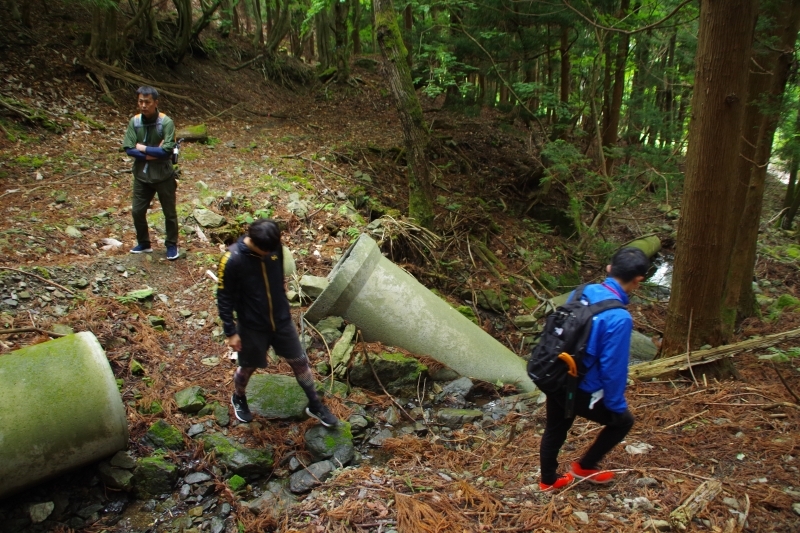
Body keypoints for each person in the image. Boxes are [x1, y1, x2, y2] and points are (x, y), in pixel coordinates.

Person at [538, 247, 649, 491]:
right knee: (622, 422)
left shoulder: (582, 291)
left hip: (556, 372)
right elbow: (613, 368)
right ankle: (585, 467)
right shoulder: (619, 317)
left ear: (610, 269)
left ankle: (548, 480)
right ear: (637, 280)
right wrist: (615, 404)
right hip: (580, 385)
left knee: (555, 427)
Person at [215, 219, 339, 427]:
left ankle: (315, 404)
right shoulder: (232, 259)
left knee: (300, 361)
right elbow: (223, 297)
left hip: (281, 321)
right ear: (256, 242)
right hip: (252, 325)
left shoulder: (275, 249)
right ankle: (239, 397)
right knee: (248, 366)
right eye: (268, 251)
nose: (272, 253)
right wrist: (230, 331)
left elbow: (278, 278)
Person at [122, 86, 180, 261]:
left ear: (156, 102)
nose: (143, 105)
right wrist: (153, 153)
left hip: (163, 176)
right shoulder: (135, 122)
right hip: (141, 176)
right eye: (140, 101)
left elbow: (167, 151)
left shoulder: (166, 122)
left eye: (147, 102)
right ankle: (144, 243)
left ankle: (171, 244)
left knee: (169, 213)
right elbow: (129, 149)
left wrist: (143, 149)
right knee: (137, 211)